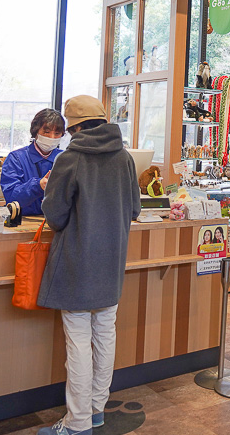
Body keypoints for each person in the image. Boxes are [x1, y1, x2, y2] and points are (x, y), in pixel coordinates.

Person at [37, 95, 141, 435]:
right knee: (105, 335)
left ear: (76, 127)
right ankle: (96, 410)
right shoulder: (124, 158)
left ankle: (77, 423)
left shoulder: (71, 159)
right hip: (112, 261)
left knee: (78, 342)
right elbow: (135, 210)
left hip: (77, 262)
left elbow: (55, 215)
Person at [0, 109, 66, 216]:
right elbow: (12, 198)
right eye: (47, 132)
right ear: (36, 131)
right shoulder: (16, 158)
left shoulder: (65, 158)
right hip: (24, 222)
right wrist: (38, 185)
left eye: (57, 133)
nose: (52, 137)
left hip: (57, 224)